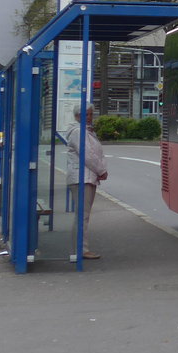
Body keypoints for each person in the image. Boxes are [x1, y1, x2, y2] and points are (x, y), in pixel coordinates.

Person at [66, 105, 108, 260]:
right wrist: (101, 170)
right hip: (82, 178)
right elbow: (88, 154)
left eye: (91, 114)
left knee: (83, 215)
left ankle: (80, 248)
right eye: (85, 114)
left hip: (86, 177)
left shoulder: (85, 131)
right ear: (77, 115)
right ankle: (80, 249)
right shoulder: (78, 132)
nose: (89, 117)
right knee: (82, 216)